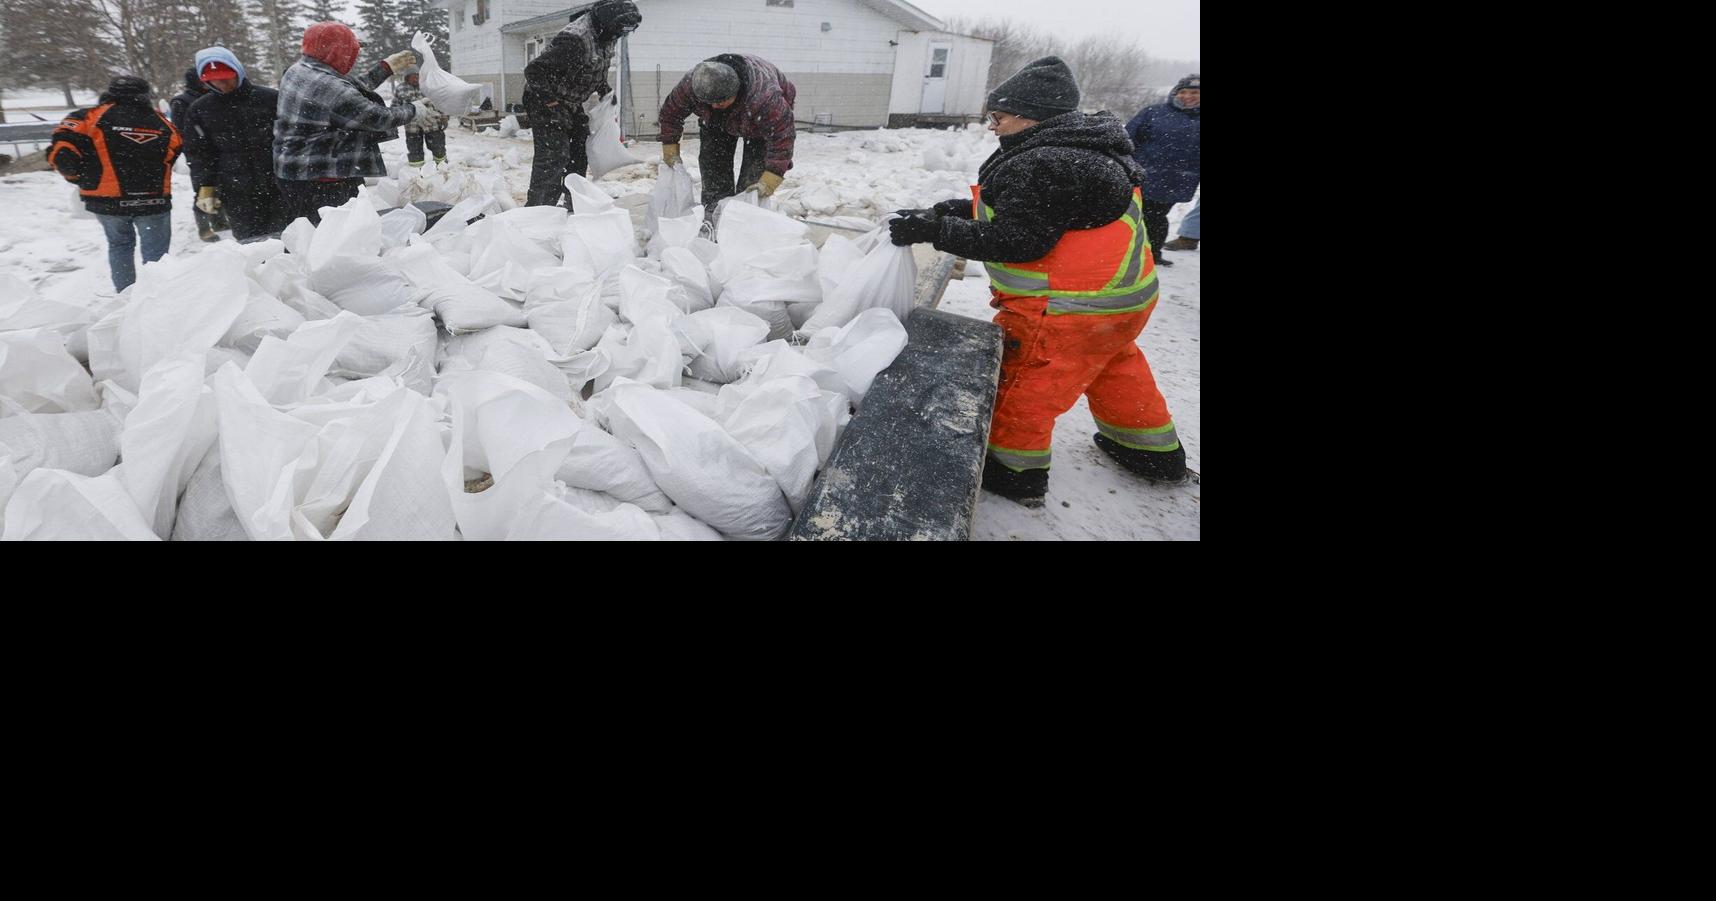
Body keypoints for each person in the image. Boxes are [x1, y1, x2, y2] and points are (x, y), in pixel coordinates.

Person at [887, 57, 1186, 507]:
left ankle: (1013, 472)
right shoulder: (1083, 150)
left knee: (1027, 384)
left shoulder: (1046, 163)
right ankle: (1151, 451)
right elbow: (1043, 214)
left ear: (1032, 116)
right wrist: (953, 210)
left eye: (999, 117)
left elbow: (1018, 238)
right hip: (1118, 304)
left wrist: (933, 232)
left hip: (1065, 309)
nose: (992, 126)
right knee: (1114, 367)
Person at [274, 21, 436, 224]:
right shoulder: (328, 86)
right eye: (351, 51)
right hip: (323, 182)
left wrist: (385, 68)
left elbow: (347, 90)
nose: (354, 56)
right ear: (337, 53)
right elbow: (377, 118)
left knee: (314, 234)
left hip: (300, 172)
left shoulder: (300, 69)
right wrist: (414, 110)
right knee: (335, 237)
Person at [48, 75, 182, 293]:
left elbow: (63, 156)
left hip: (107, 201)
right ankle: (158, 298)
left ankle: (125, 297)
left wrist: (83, 180)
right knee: (157, 256)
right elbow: (174, 151)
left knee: (120, 246)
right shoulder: (162, 122)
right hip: (153, 199)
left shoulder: (86, 118)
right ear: (145, 95)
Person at [521, 0, 643, 208]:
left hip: (570, 99)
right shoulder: (574, 40)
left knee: (579, 148)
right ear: (608, 22)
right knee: (554, 156)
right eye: (619, 31)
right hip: (543, 99)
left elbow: (596, 65)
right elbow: (534, 71)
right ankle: (540, 210)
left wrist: (604, 89)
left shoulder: (608, 34)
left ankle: (575, 202)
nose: (620, 36)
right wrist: (552, 103)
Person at [657, 54, 797, 212]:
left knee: (752, 184)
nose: (715, 106)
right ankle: (714, 213)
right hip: (715, 123)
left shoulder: (765, 97)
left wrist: (771, 177)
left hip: (759, 127)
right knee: (714, 169)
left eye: (721, 101)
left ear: (736, 92)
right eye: (710, 102)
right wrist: (670, 148)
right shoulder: (693, 85)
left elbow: (782, 136)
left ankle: (746, 218)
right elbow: (670, 114)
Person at [184, 47, 288, 241]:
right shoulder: (200, 110)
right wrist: (205, 187)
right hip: (237, 193)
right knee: (251, 246)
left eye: (227, 78)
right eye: (215, 80)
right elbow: (199, 155)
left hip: (278, 187)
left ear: (238, 71)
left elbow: (290, 140)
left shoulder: (270, 99)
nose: (222, 84)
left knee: (285, 242)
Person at [1125, 74, 1199, 266]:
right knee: (1140, 215)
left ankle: (1150, 253)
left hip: (1180, 181)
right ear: (1175, 93)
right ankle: (1138, 253)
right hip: (1143, 174)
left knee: (1155, 216)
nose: (1188, 96)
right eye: (1183, 91)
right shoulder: (1153, 112)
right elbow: (1128, 138)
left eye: (1194, 92)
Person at [169, 67, 223, 242]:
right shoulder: (182, 102)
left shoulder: (216, 96)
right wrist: (200, 141)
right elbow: (182, 130)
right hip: (199, 154)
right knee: (204, 189)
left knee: (221, 186)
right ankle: (204, 228)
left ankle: (219, 220)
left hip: (219, 150)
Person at [390, 67, 449, 167]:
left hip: (432, 124)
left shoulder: (429, 87)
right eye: (413, 76)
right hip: (412, 127)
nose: (415, 79)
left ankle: (442, 168)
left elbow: (441, 102)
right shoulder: (400, 89)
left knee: (438, 147)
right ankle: (417, 170)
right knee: (414, 150)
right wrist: (394, 120)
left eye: (417, 76)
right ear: (407, 78)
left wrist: (445, 116)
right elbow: (395, 107)